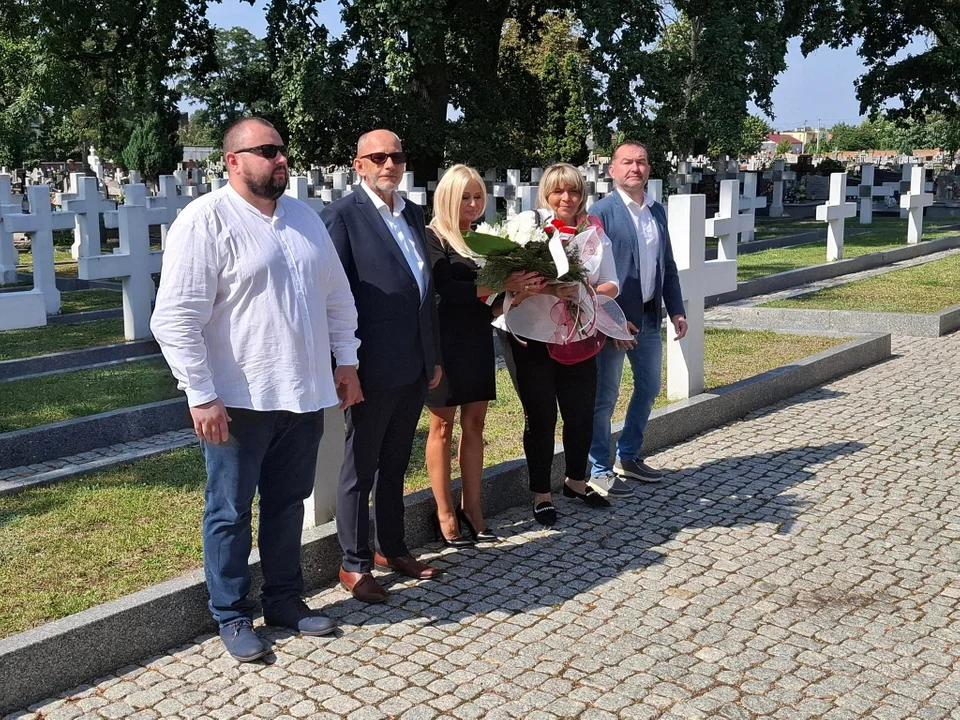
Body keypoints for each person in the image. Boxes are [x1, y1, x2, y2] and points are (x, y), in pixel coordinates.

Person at [150, 117, 362, 662]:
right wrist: (200, 393)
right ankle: (231, 613)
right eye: (267, 151)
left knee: (288, 504)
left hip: (304, 391)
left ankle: (285, 600)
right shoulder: (205, 220)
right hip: (237, 400)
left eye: (282, 150)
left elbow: (336, 297)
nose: (280, 159)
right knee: (229, 510)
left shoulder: (304, 218)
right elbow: (174, 318)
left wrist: (347, 360)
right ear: (233, 161)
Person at [321, 129, 444, 603]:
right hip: (368, 365)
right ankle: (353, 563)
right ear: (359, 165)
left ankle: (392, 547)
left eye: (396, 156)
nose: (389, 164)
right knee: (361, 466)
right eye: (377, 157)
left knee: (395, 461)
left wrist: (431, 356)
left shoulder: (412, 213)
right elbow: (333, 298)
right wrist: (344, 365)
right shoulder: (342, 217)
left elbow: (422, 293)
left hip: (413, 363)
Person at [494, 163, 621, 527]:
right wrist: (549, 288)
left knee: (580, 411)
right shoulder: (531, 227)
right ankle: (541, 492)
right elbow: (508, 278)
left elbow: (612, 283)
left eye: (574, 191)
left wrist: (585, 290)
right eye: (558, 191)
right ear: (546, 194)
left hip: (577, 334)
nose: (567, 198)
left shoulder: (594, 231)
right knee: (542, 415)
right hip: (530, 335)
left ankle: (576, 481)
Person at [425, 165, 541, 545]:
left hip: (476, 339)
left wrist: (516, 294)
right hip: (443, 342)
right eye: (465, 197)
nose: (473, 204)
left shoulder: (482, 240)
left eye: (478, 197)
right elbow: (445, 289)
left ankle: (472, 507)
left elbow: (488, 306)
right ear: (448, 197)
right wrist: (499, 282)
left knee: (475, 425)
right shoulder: (432, 237)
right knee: (442, 428)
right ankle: (444, 512)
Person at [587, 140, 687, 497]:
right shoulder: (601, 212)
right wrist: (611, 321)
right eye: (627, 162)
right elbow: (592, 275)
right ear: (612, 169)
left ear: (649, 169)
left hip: (647, 317)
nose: (635, 168)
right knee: (605, 396)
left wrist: (676, 309)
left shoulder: (656, 212)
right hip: (612, 322)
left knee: (649, 387)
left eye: (641, 162)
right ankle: (599, 469)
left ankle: (627, 455)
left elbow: (667, 265)